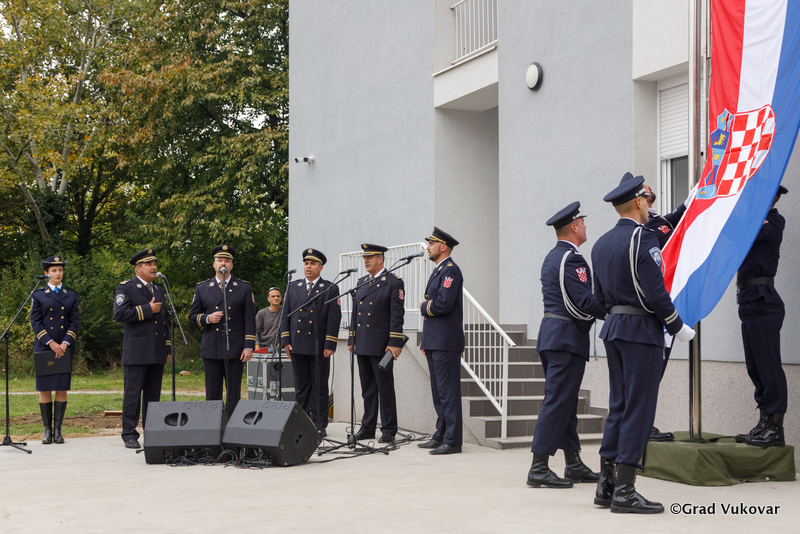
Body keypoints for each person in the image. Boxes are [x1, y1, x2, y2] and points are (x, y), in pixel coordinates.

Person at [591, 173, 694, 514]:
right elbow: (656, 292)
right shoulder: (643, 238)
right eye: (646, 200)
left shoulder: (601, 244)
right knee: (639, 408)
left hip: (614, 329)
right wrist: (677, 326)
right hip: (640, 331)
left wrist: (619, 315)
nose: (650, 205)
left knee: (619, 406)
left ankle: (606, 485)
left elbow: (599, 300)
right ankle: (625, 491)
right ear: (638, 201)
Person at [527, 203, 607, 488]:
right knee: (558, 401)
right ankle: (539, 466)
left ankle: (573, 463)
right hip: (566, 337)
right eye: (582, 222)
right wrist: (613, 311)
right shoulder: (571, 259)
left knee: (566, 402)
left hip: (555, 335)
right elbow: (583, 302)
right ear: (574, 226)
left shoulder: (553, 256)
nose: (585, 226)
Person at [735, 185, 788, 447]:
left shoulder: (774, 221)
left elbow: (748, 230)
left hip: (763, 300)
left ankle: (775, 427)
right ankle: (764, 421)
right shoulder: (752, 221)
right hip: (748, 300)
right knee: (755, 368)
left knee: (768, 366)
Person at [642, 183, 693, 442]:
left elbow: (674, 218)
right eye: (644, 188)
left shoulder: (658, 219)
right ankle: (643, 427)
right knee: (651, 372)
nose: (649, 187)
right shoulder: (643, 228)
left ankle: (644, 424)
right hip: (658, 308)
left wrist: (689, 201)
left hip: (669, 303)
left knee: (656, 371)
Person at [280, 248, 341, 438]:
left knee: (319, 387)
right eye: (306, 263)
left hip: (319, 346)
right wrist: (285, 340)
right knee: (301, 388)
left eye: (313, 264)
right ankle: (301, 422)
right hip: (297, 345)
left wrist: (330, 344)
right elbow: (285, 315)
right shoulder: (293, 287)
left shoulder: (330, 288)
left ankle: (319, 423)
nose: (308, 267)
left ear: (321, 267)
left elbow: (334, 318)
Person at [189, 245, 256, 418]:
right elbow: (192, 316)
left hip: (235, 347)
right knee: (212, 391)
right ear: (214, 264)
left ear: (231, 265)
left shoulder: (244, 288)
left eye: (227, 260)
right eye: (219, 260)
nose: (223, 263)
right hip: (212, 347)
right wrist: (207, 318)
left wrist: (248, 346)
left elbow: (249, 319)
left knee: (234, 391)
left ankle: (232, 425)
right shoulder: (203, 287)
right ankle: (213, 425)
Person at [347, 244, 405, 443]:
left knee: (385, 389)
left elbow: (397, 315)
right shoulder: (362, 282)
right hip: (362, 343)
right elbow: (355, 314)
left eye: (370, 257)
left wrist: (395, 342)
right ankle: (368, 427)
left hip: (381, 345)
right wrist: (352, 338)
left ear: (380, 259)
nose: (366, 261)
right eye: (364, 257)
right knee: (368, 389)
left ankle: (389, 429)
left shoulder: (393, 282)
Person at [113, 249, 171, 449]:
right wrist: (148, 309)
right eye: (148, 264)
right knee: (132, 394)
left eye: (154, 264)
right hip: (137, 352)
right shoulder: (127, 288)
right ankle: (129, 434)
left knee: (153, 396)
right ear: (138, 268)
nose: (153, 267)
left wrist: (167, 346)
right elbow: (120, 314)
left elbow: (164, 321)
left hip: (157, 350)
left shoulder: (159, 289)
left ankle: (151, 431)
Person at [417, 227, 464, 455]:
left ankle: (452, 440)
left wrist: (423, 307)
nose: (428, 247)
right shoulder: (439, 270)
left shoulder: (450, 271)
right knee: (438, 392)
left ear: (443, 246)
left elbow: (443, 305)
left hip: (446, 341)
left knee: (448, 392)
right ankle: (441, 434)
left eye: (432, 243)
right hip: (436, 340)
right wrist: (426, 340)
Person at [30, 255, 79, 445]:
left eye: (60, 270)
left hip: (64, 348)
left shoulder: (71, 295)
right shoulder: (38, 295)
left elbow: (74, 322)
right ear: (46, 273)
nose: (58, 273)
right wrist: (50, 342)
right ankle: (47, 431)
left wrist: (65, 343)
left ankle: (58, 430)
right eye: (54, 270)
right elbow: (35, 322)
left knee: (61, 387)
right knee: (44, 389)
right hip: (45, 347)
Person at [255, 287, 283, 352]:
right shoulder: (261, 313)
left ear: (281, 298)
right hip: (264, 347)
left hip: (281, 348)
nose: (276, 298)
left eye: (278, 296)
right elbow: (255, 331)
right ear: (268, 299)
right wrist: (257, 346)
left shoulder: (285, 312)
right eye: (273, 296)